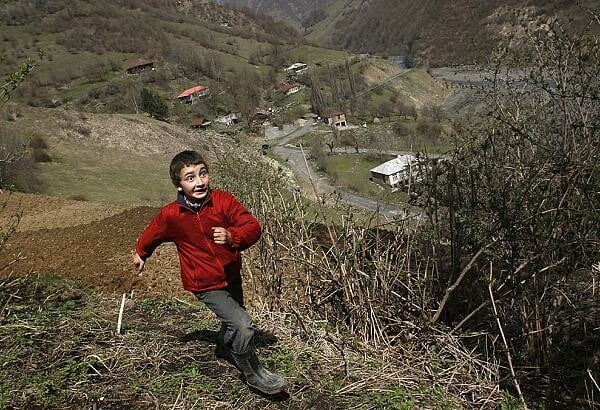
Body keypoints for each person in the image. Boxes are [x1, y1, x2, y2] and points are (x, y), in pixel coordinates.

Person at [133, 150, 286, 395]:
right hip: (204, 283)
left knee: (233, 322)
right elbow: (152, 233)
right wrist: (141, 253)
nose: (200, 181)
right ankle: (252, 372)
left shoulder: (223, 201)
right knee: (244, 325)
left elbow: (252, 226)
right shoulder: (172, 215)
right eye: (190, 177)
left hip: (231, 274)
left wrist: (232, 236)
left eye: (203, 174)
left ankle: (224, 346)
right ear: (179, 185)